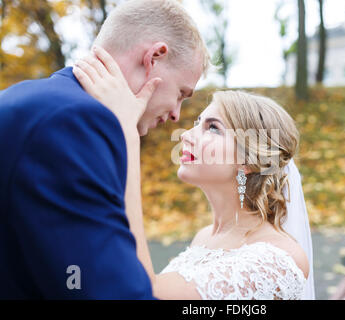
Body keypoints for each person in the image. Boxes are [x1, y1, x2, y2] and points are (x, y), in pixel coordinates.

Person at [0, 0, 209, 299]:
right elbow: (112, 292)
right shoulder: (74, 122)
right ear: (154, 57)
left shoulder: (35, 99)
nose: (176, 114)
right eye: (181, 94)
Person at [74, 48, 315, 300]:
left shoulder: (279, 259)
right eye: (197, 123)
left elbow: (145, 292)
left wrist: (126, 132)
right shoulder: (204, 237)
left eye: (212, 128)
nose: (187, 136)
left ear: (249, 160)